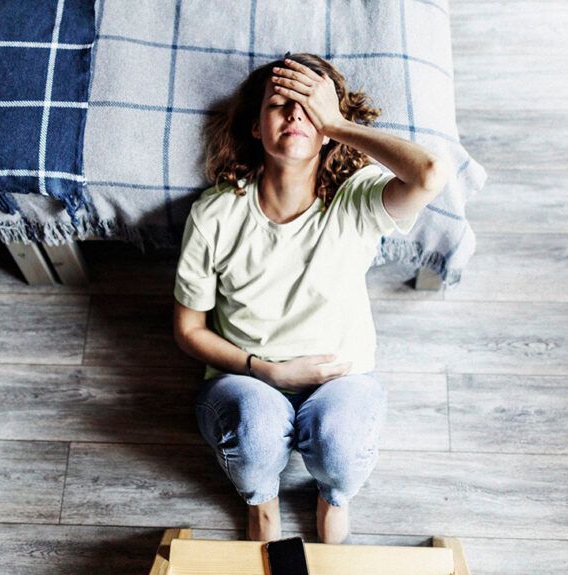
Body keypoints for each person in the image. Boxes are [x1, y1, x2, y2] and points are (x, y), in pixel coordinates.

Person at [172, 52, 450, 544]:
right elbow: (189, 330)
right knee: (256, 435)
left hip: (340, 382)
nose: (296, 114)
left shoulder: (355, 199)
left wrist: (336, 121)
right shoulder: (215, 215)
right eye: (281, 104)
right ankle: (260, 499)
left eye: (309, 107)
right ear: (257, 127)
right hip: (246, 379)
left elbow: (428, 174)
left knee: (340, 446)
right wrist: (267, 371)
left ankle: (333, 496)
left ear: (326, 129)